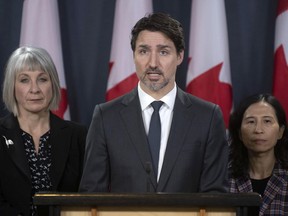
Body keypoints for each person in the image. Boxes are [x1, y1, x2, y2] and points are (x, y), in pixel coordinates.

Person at [79, 12, 228, 193]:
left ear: (180, 56)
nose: (153, 63)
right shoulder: (105, 117)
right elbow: (91, 195)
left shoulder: (208, 117)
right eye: (144, 51)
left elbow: (215, 196)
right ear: (134, 56)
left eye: (163, 52)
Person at [0, 46, 87, 216]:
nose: (35, 89)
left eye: (42, 79)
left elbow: (88, 194)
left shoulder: (77, 135)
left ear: (52, 85)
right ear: (12, 86)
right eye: (24, 80)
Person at [228, 93, 288, 215]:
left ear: (280, 132)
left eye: (267, 121)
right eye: (251, 122)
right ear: (239, 133)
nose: (258, 130)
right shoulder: (224, 178)